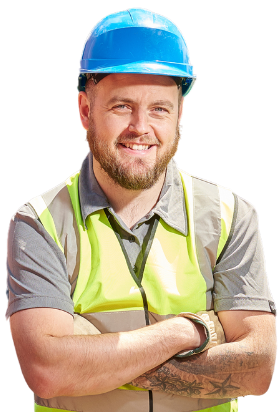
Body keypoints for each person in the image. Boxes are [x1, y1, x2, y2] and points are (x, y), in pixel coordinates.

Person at [5, 7, 277, 412]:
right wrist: (191, 331)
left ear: (180, 114)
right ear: (84, 110)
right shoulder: (38, 223)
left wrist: (87, 356)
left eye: (160, 109)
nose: (140, 127)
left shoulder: (230, 216)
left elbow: (257, 370)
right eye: (121, 106)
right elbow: (48, 372)